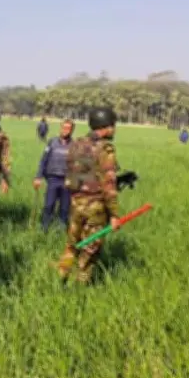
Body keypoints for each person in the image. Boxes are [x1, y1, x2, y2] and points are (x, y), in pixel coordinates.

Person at [57, 108, 120, 285]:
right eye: (113, 126)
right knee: (90, 249)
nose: (114, 129)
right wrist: (114, 214)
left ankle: (60, 278)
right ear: (106, 127)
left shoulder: (77, 143)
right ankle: (80, 286)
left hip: (76, 202)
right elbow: (108, 184)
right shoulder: (106, 149)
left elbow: (76, 172)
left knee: (71, 244)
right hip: (95, 207)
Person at [34, 119, 74, 232]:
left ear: (71, 130)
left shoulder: (75, 145)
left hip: (67, 181)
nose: (65, 130)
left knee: (64, 208)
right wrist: (38, 177)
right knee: (49, 206)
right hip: (52, 179)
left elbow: (77, 165)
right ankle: (44, 229)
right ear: (60, 128)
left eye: (68, 128)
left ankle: (61, 231)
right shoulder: (52, 142)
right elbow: (43, 160)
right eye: (64, 127)